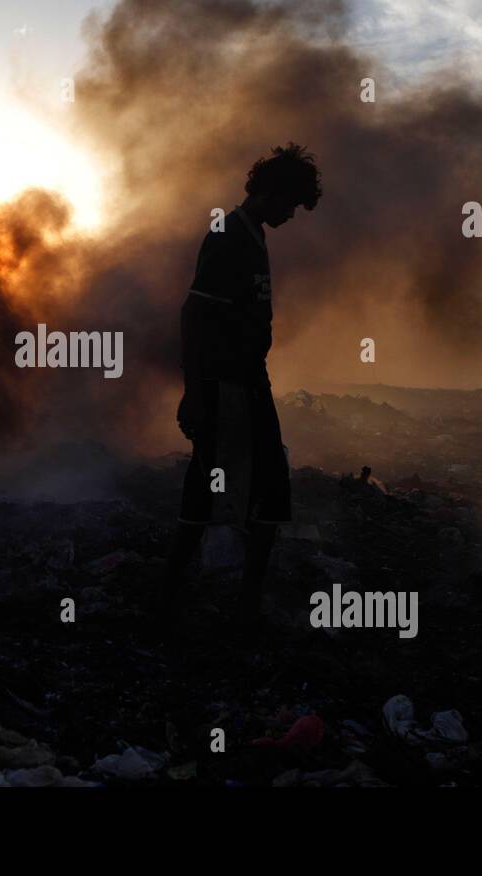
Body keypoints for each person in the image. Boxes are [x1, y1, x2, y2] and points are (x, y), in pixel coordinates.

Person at [162, 144, 322, 636]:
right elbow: (193, 315)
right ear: (270, 191)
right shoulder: (229, 234)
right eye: (290, 203)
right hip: (227, 385)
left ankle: (182, 600)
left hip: (248, 381)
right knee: (246, 487)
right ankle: (224, 607)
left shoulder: (254, 235)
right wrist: (194, 392)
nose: (292, 215)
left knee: (235, 486)